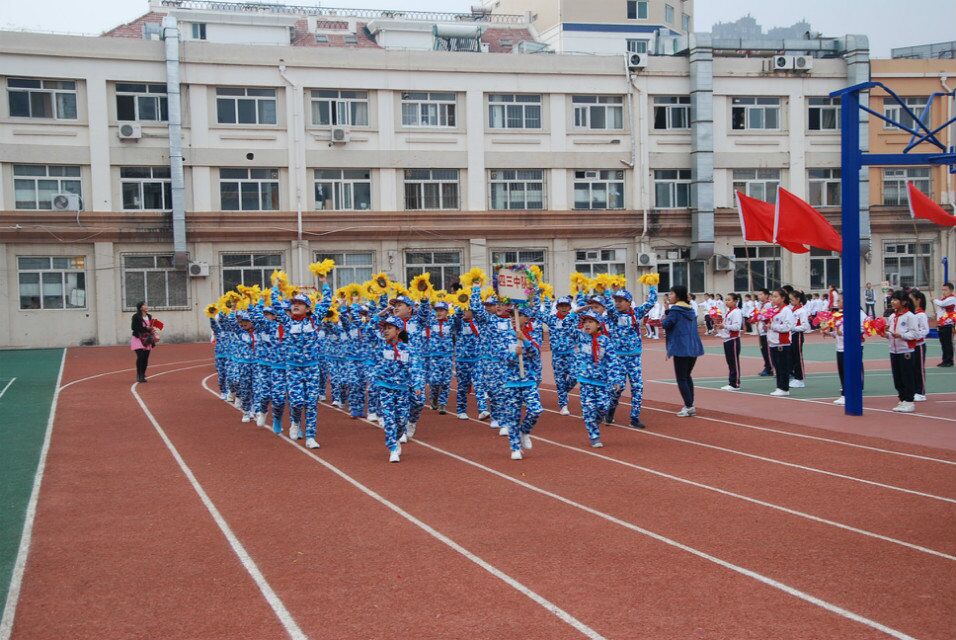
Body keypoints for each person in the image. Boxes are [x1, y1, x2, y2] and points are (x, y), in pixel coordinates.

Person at [605, 285, 658, 429]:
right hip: (618, 359)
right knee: (618, 388)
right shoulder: (613, 315)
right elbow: (609, 306)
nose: (618, 303)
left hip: (634, 358)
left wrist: (652, 285)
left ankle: (634, 417)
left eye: (621, 300)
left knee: (638, 387)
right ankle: (610, 410)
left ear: (629, 302)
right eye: (616, 300)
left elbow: (651, 302)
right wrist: (606, 289)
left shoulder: (636, 313)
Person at [573, 309, 618, 446]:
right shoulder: (581, 337)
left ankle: (595, 422)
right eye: (585, 322)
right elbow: (566, 324)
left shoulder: (605, 341)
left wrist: (615, 379)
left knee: (603, 407)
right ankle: (594, 436)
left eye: (590, 322)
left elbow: (612, 360)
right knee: (588, 408)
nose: (587, 325)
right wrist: (577, 311)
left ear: (598, 324)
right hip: (586, 381)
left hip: (602, 382)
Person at [662, 285, 704, 417]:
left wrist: (665, 314)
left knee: (681, 378)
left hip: (681, 348)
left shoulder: (676, 310)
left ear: (678, 296)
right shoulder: (690, 309)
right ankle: (690, 404)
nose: (669, 296)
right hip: (693, 347)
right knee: (687, 376)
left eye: (671, 293)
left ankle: (689, 405)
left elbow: (666, 324)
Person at [822, 294, 866, 405]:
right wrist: (829, 333)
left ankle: (848, 394)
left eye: (839, 300)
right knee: (842, 371)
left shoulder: (858, 313)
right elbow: (838, 331)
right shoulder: (838, 315)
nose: (837, 303)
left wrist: (845, 333)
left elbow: (863, 328)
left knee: (850, 371)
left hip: (852, 347)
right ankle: (845, 392)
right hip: (840, 347)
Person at [886, 290, 920, 413]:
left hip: (906, 350)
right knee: (897, 377)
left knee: (907, 376)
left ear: (904, 302)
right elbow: (890, 333)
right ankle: (902, 398)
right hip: (893, 350)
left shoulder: (910, 316)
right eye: (892, 299)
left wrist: (901, 335)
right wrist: (884, 333)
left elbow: (915, 333)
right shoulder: (892, 316)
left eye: (895, 299)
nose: (893, 301)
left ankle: (909, 401)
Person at [767, 288, 796, 397]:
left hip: (782, 343)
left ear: (783, 298)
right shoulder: (774, 310)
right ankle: (779, 386)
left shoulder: (786, 311)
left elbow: (789, 326)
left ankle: (784, 388)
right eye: (772, 296)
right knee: (777, 366)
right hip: (773, 342)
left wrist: (773, 326)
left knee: (782, 366)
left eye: (775, 296)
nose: (773, 299)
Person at [716, 293, 743, 391]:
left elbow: (737, 327)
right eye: (726, 300)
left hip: (733, 340)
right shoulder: (729, 312)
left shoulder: (736, 312)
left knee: (733, 361)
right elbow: (727, 325)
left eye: (729, 300)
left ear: (735, 301)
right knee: (730, 362)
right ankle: (732, 382)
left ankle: (735, 383)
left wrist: (725, 326)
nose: (726, 302)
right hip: (727, 339)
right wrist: (720, 326)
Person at [131, 301, 159, 383]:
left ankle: (143, 374)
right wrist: (146, 328)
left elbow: (150, 327)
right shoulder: (136, 316)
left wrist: (153, 332)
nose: (146, 306)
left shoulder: (149, 316)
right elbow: (133, 327)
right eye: (144, 305)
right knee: (141, 357)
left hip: (147, 339)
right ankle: (139, 374)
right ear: (141, 308)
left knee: (146, 358)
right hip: (138, 338)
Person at [909, 290, 929, 402]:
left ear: (918, 300)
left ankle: (920, 392)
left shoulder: (921, 314)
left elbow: (925, 330)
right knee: (911, 368)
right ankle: (913, 390)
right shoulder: (911, 313)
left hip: (919, 345)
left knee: (919, 368)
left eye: (911, 298)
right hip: (910, 346)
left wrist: (915, 336)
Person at [789, 290, 809, 389]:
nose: (791, 301)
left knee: (798, 357)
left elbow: (805, 326)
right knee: (793, 357)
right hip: (791, 335)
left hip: (798, 336)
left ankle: (800, 379)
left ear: (798, 299)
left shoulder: (802, 311)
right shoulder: (793, 309)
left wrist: (793, 328)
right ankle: (796, 377)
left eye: (792, 300)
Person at [933, 282, 955, 367]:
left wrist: (934, 300)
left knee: (948, 343)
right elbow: (941, 310)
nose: (943, 291)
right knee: (943, 344)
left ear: (951, 290)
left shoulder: (952, 299)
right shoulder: (943, 299)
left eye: (945, 290)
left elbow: (942, 304)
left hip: (948, 324)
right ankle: (944, 360)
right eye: (942, 290)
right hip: (941, 324)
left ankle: (949, 360)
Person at [754, 289, 774, 376]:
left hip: (767, 332)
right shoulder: (760, 305)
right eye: (759, 294)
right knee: (763, 350)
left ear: (766, 295)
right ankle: (767, 366)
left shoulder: (769, 305)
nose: (759, 296)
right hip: (761, 331)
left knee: (767, 351)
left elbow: (769, 316)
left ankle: (770, 368)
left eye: (761, 294)